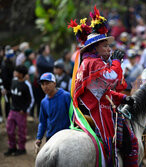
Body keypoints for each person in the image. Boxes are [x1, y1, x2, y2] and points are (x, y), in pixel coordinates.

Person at [68, 6, 137, 166]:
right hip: (96, 111)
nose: (109, 49)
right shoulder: (93, 63)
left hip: (95, 105)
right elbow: (112, 77)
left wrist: (123, 98)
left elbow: (102, 91)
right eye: (105, 46)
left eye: (108, 45)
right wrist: (117, 62)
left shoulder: (90, 62)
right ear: (94, 48)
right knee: (130, 140)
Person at [4, 65, 34, 156]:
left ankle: (21, 148)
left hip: (21, 112)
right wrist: (6, 92)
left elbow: (30, 99)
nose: (14, 73)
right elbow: (13, 92)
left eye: (16, 72)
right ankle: (12, 147)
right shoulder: (13, 81)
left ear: (21, 74)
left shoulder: (26, 85)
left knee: (21, 131)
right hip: (12, 110)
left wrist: (25, 109)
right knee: (10, 129)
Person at [35, 72, 71, 147]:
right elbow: (42, 122)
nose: (45, 86)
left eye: (47, 83)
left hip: (66, 136)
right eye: (42, 84)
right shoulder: (44, 102)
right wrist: (39, 138)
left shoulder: (66, 96)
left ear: (54, 83)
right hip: (51, 137)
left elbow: (74, 115)